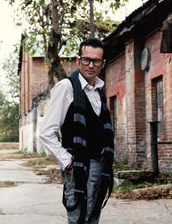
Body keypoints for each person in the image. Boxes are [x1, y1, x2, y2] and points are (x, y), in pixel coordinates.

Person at [39, 38, 114, 224]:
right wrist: (67, 162)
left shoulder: (99, 90)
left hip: (98, 165)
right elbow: (46, 132)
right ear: (78, 60)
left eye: (96, 61)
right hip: (77, 166)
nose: (91, 65)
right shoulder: (66, 87)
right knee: (77, 217)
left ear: (102, 64)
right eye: (86, 59)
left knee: (92, 216)